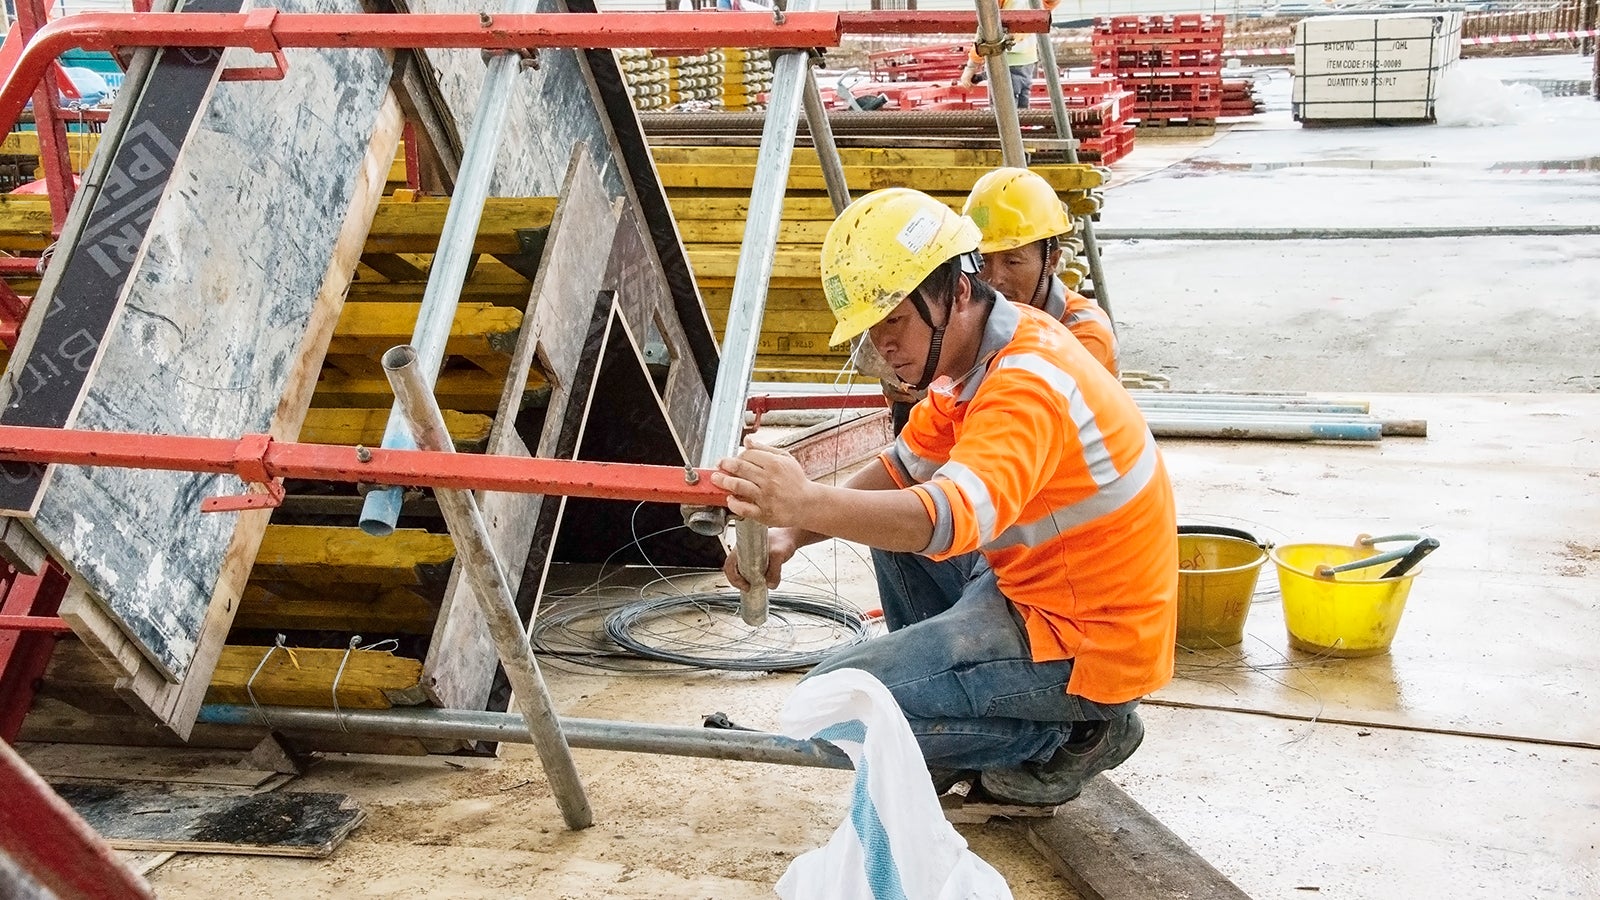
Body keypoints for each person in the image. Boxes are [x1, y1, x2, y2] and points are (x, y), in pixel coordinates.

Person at [714, 188, 1176, 806]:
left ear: (957, 292)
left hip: (1088, 641)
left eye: (895, 321)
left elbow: (949, 518)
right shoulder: (980, 353)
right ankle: (938, 719)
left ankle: (1077, 733)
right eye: (873, 330)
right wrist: (790, 535)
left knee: (837, 706)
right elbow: (905, 470)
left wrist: (803, 503)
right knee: (884, 534)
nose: (885, 345)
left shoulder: (1027, 381)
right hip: (1040, 590)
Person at [963, 166, 1118, 378]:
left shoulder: (1084, 331)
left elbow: (1028, 399)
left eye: (1012, 262)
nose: (993, 279)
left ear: (1052, 261)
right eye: (982, 261)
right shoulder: (975, 316)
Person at [957, 0, 1061, 110]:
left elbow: (987, 29)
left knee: (1004, 116)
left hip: (1002, 59)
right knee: (1022, 115)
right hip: (1027, 61)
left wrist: (972, 65)